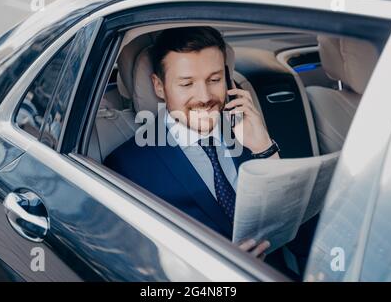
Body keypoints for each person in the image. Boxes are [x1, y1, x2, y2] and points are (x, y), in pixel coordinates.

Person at [105, 27, 280, 259]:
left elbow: (290, 220)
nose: (205, 97)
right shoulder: (127, 166)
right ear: (159, 86)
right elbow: (136, 262)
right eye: (186, 84)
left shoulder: (249, 130)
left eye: (214, 79)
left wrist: (263, 148)